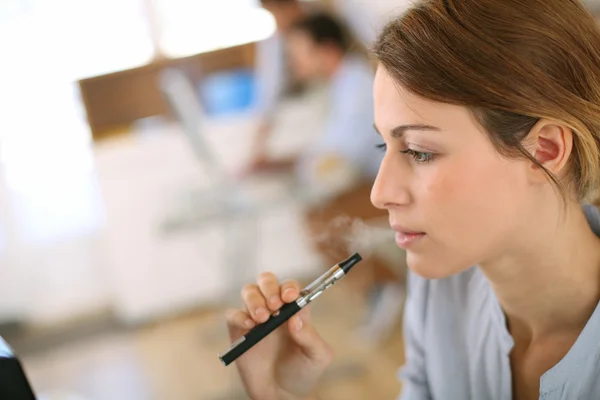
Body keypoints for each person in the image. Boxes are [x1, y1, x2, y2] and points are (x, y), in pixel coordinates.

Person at [225, 0, 600, 399]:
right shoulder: (441, 289)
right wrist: (279, 393)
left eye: (420, 151)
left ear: (545, 150)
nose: (379, 193)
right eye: (382, 143)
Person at [247, 12, 404, 336]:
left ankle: (385, 285)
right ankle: (380, 285)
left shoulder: (357, 85)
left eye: (299, 53)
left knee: (322, 221)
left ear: (327, 50)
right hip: (368, 179)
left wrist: (290, 165)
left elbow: (339, 155)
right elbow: (329, 149)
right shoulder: (342, 84)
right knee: (315, 217)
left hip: (388, 186)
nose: (293, 62)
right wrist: (286, 163)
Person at [249, 0, 307, 171]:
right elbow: (267, 95)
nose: (278, 23)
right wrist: (257, 146)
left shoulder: (319, 27)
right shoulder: (275, 42)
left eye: (276, 13)